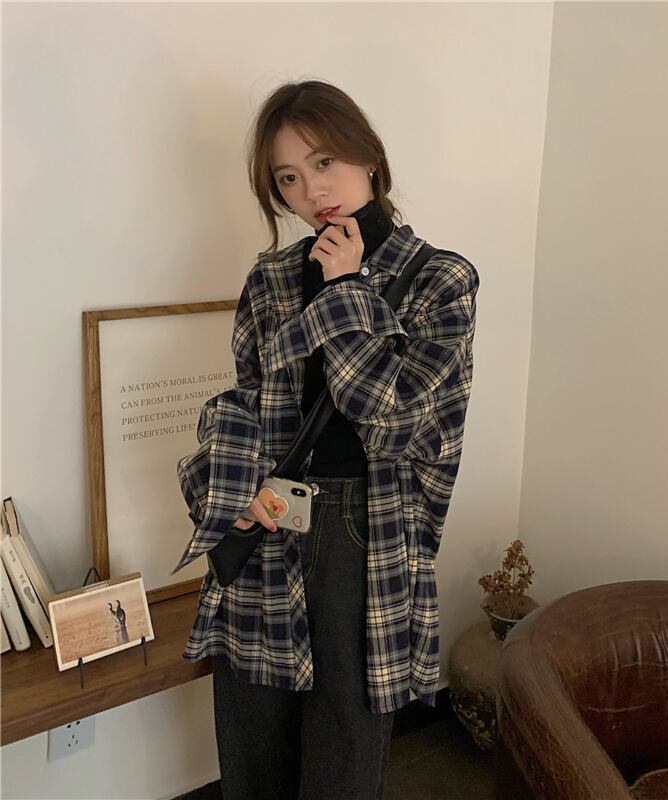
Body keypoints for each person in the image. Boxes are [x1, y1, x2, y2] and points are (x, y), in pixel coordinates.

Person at [171, 79, 479, 800]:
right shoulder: (275, 276)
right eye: (288, 178)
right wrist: (229, 492)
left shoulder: (440, 279)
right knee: (254, 726)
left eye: (323, 162)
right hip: (271, 508)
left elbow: (395, 422)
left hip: (363, 525)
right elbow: (246, 398)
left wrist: (344, 291)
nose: (311, 191)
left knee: (344, 741)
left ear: (368, 156)